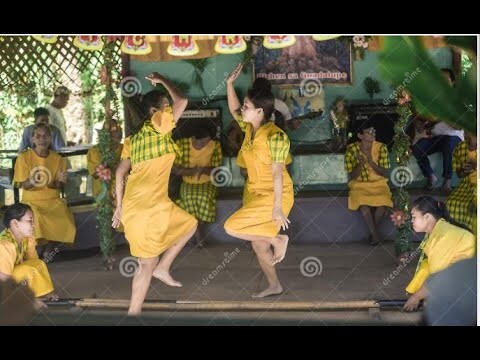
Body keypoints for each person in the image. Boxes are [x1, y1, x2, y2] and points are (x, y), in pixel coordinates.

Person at [112, 72, 197, 316]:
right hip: (149, 207)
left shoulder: (133, 139)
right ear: (155, 112)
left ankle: (162, 269)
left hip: (140, 205)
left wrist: (119, 207)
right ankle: (133, 314)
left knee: (189, 224)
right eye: (165, 107)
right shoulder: (158, 125)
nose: (171, 111)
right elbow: (182, 102)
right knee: (146, 264)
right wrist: (163, 79)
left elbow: (120, 173)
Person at [224, 63, 293, 298]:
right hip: (253, 193)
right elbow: (233, 109)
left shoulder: (276, 136)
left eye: (247, 106)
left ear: (260, 112)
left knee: (231, 227)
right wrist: (229, 84)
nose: (242, 109)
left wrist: (276, 208)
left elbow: (277, 173)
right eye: (244, 105)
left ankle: (278, 239)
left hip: (276, 196)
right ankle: (275, 285)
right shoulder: (249, 128)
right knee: (257, 244)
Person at [13, 123, 76, 260]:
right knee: (36, 216)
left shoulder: (58, 159)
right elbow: (25, 185)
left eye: (45, 136)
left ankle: (49, 247)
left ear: (50, 138)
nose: (42, 139)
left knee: (63, 213)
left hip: (53, 200)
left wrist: (57, 181)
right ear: (33, 139)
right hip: (31, 200)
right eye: (38, 136)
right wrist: (33, 181)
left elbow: (56, 186)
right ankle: (37, 248)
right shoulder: (23, 158)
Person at [403, 196, 475, 312]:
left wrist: (416, 297)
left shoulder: (443, 236)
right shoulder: (439, 230)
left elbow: (440, 277)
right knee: (427, 265)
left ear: (426, 217)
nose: (411, 221)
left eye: (414, 217)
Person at [411, 68, 464, 192]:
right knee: (417, 148)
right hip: (434, 136)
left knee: (448, 145)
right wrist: (418, 124)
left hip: (453, 136)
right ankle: (430, 176)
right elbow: (419, 118)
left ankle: (447, 181)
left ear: (452, 82)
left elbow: (460, 127)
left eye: (445, 79)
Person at [172, 127, 223, 247]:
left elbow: (217, 171)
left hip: (208, 183)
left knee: (203, 197)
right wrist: (191, 171)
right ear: (193, 138)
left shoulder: (215, 146)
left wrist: (203, 170)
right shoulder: (181, 144)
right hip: (187, 183)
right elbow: (174, 168)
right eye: (202, 142)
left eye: (207, 142)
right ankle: (199, 236)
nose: (205, 144)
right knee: (188, 197)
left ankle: (194, 234)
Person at [344, 121, 392, 246]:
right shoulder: (351, 150)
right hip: (359, 185)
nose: (373, 134)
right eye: (369, 132)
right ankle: (375, 235)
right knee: (362, 204)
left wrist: (370, 161)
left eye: (374, 131)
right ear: (360, 136)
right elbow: (353, 176)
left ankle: (373, 234)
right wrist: (360, 164)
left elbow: (385, 173)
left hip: (379, 183)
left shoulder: (381, 147)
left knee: (383, 204)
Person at [0, 203, 58, 305]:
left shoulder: (27, 239)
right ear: (15, 223)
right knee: (29, 270)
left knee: (38, 264)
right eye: (30, 221)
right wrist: (31, 300)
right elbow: (3, 280)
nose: (34, 225)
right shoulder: (5, 245)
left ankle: (44, 294)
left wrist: (48, 292)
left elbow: (34, 262)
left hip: (10, 280)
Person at [446, 133, 477, 234]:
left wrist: (476, 166)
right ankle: (457, 238)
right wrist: (464, 171)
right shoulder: (461, 147)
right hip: (466, 184)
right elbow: (459, 174)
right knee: (450, 203)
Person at [87, 119, 124, 200]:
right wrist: (107, 171)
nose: (118, 131)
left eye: (119, 129)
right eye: (113, 129)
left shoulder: (125, 148)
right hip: (103, 195)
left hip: (124, 191)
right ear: (105, 134)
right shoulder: (94, 151)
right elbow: (95, 175)